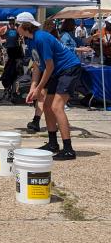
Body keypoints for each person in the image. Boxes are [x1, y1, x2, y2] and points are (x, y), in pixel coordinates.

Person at [17, 12, 81, 160]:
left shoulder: (41, 38)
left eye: (16, 24)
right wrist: (33, 88)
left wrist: (39, 88)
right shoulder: (31, 40)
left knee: (57, 107)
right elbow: (38, 66)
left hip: (69, 69)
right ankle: (53, 144)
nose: (15, 27)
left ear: (24, 26)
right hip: (58, 72)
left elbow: (49, 66)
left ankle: (68, 149)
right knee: (46, 106)